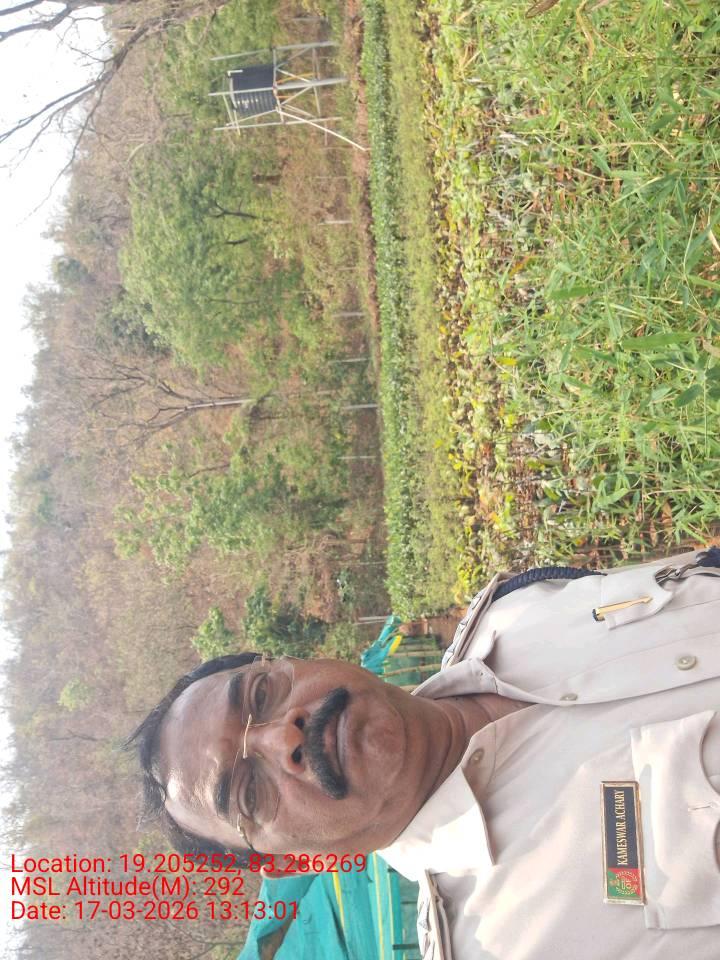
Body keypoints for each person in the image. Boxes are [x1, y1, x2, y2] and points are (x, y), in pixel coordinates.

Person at [128, 545, 720, 959]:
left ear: (293, 661)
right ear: (290, 864)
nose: (283, 737)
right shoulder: (510, 943)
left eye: (261, 694)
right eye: (249, 792)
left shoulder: (514, 610)